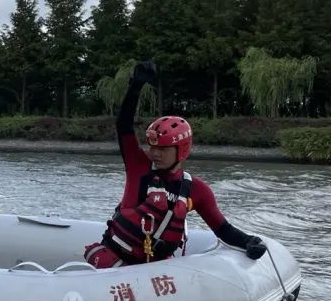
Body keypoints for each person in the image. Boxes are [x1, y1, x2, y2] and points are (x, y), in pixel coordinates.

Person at [83, 60, 269, 268]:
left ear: (181, 150)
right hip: (116, 263)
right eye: (152, 148)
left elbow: (222, 229)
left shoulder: (197, 190)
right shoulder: (139, 166)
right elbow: (123, 125)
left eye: (162, 149)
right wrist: (135, 86)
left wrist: (249, 241)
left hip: (155, 270)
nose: (155, 154)